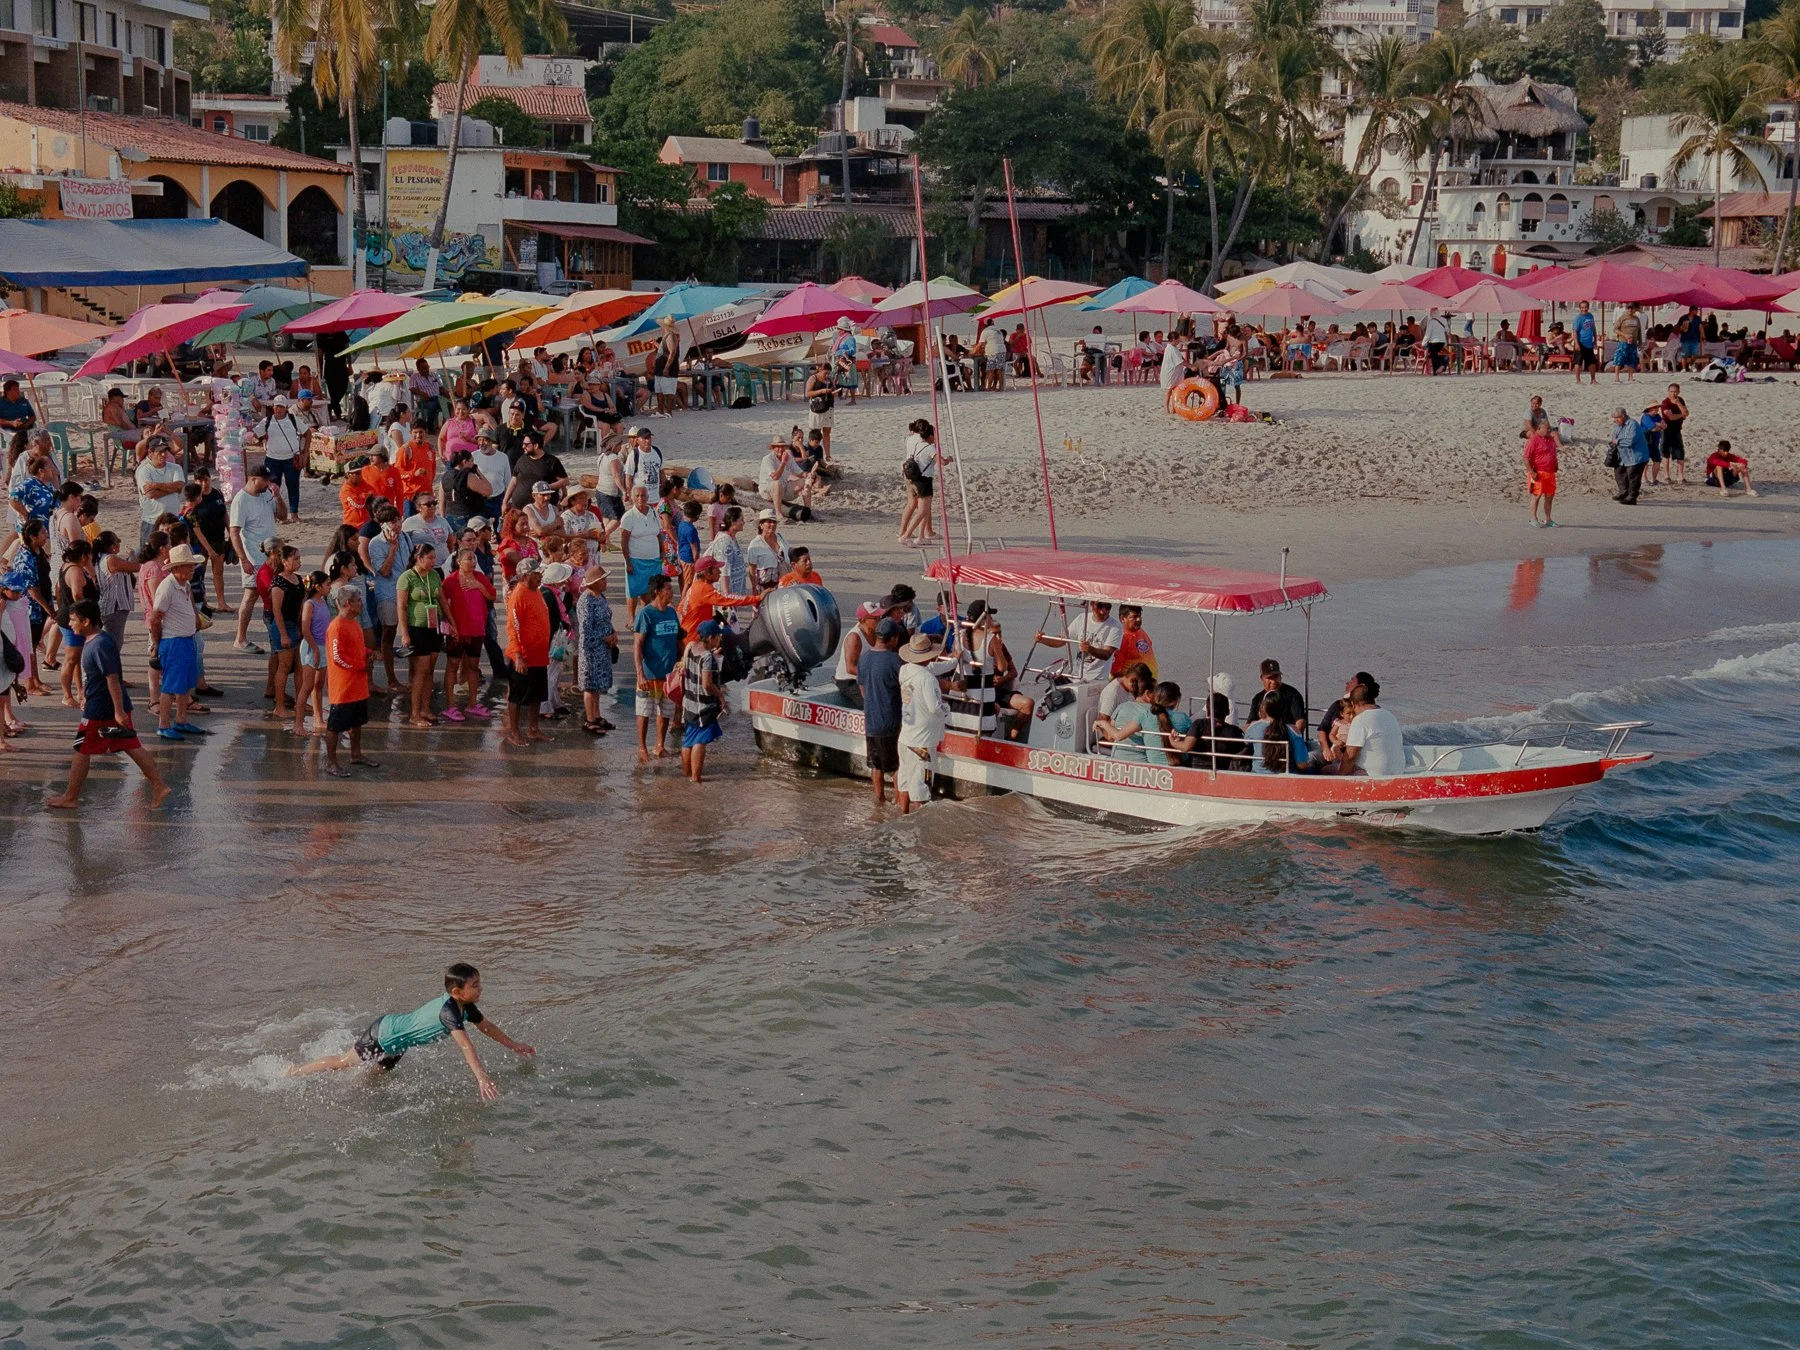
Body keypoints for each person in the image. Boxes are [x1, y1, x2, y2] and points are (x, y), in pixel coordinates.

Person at [283, 962, 533, 1100]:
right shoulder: (450, 1012)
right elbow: (466, 1046)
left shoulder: (466, 1007)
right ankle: (294, 1072)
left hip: (398, 1043)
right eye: (475, 985)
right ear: (457, 992)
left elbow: (486, 1027)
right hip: (383, 1034)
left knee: (372, 1082)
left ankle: (346, 1097)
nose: (481, 989)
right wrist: (481, 1078)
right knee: (343, 1062)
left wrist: (514, 1045)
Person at [44, 600, 170, 810]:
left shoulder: (99, 644)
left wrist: (119, 711)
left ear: (86, 621)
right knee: (132, 746)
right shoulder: (98, 640)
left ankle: (70, 797)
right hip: (107, 704)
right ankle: (159, 786)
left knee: (82, 749)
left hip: (102, 709)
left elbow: (112, 678)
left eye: (74, 620)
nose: (70, 623)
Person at [149, 544, 209, 743]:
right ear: (176, 568)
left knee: (184, 685)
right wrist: (157, 643)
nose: (192, 569)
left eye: (192, 566)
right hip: (173, 641)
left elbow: (190, 604)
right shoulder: (167, 587)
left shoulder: (185, 584)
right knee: (170, 687)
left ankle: (181, 720)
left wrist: (196, 621)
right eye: (188, 566)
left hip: (187, 638)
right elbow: (155, 618)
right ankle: (163, 725)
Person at [228, 465, 284, 652]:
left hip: (272, 555)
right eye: (265, 480)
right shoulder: (241, 500)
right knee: (251, 594)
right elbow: (234, 531)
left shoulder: (266, 494)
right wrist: (243, 559)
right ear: (253, 479)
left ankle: (277, 633)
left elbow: (282, 516)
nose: (268, 483)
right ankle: (240, 638)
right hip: (253, 554)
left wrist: (277, 496)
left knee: (276, 592)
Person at [501, 555, 552, 748]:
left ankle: (533, 728)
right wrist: (518, 655)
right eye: (537, 574)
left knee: (537, 695)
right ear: (525, 575)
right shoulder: (519, 594)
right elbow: (513, 627)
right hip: (523, 655)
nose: (540, 577)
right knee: (517, 695)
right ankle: (514, 732)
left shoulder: (536, 591)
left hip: (539, 654)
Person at [633, 573, 684, 761]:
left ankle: (659, 746)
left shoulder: (671, 613)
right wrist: (639, 674)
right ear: (657, 592)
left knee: (665, 711)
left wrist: (682, 662)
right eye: (668, 589)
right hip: (649, 673)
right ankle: (642, 748)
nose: (672, 592)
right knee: (644, 711)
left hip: (668, 674)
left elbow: (679, 640)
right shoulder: (646, 614)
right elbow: (637, 645)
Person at [896, 631, 948, 813]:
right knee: (922, 789)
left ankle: (903, 815)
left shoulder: (905, 671)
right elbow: (935, 707)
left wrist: (953, 662)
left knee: (905, 780)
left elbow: (930, 667)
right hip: (922, 743)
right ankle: (919, 826)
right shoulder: (928, 679)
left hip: (905, 737)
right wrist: (947, 710)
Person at [396, 543, 444, 729]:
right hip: (417, 628)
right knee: (421, 671)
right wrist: (404, 633)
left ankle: (425, 708)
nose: (434, 561)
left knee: (430, 670)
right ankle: (414, 713)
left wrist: (451, 622)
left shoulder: (434, 575)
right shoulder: (406, 577)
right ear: (419, 557)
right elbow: (401, 606)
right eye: (430, 558)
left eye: (434, 558)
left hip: (434, 627)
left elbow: (441, 599)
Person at [858, 617, 904, 805]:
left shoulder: (864, 659)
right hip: (892, 721)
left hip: (871, 721)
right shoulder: (896, 661)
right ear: (892, 639)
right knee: (897, 767)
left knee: (876, 765)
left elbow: (862, 689)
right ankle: (899, 802)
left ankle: (879, 801)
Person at [679, 619, 727, 782]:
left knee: (689, 739)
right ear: (712, 638)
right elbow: (707, 684)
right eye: (719, 636)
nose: (720, 639)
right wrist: (720, 695)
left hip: (689, 703)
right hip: (702, 706)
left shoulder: (691, 647)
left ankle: (687, 773)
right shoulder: (707, 657)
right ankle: (695, 777)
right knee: (700, 740)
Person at [1035, 600, 1121, 683]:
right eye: (1099, 606)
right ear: (1091, 604)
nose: (1103, 611)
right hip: (1075, 676)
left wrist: (1089, 649)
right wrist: (1044, 639)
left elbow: (1106, 654)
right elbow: (1062, 640)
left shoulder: (1115, 627)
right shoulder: (1082, 618)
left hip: (1096, 679)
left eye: (1108, 607)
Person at [576, 563, 617, 736]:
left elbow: (607, 618)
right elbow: (586, 628)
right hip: (591, 650)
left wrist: (613, 633)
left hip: (604, 648)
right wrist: (603, 638)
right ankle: (590, 719)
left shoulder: (601, 597)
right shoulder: (586, 600)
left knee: (598, 685)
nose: (605, 582)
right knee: (590, 685)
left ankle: (597, 715)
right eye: (602, 580)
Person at [1333, 676, 1404, 776]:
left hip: (1372, 774)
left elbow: (1350, 756)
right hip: (1397, 771)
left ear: (1353, 704)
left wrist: (1340, 779)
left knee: (1327, 770)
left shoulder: (1360, 719)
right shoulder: (1389, 714)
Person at [618, 484, 664, 620]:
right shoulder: (628, 517)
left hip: (654, 559)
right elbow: (624, 541)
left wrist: (663, 551)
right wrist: (628, 562)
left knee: (650, 591)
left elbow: (659, 534)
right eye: (637, 495)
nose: (640, 498)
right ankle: (631, 619)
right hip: (636, 560)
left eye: (643, 495)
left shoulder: (654, 513)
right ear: (632, 498)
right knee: (633, 591)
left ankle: (645, 617)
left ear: (648, 497)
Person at [133, 439, 186, 549]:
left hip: (172, 521)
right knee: (148, 553)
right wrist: (172, 487)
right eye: (159, 452)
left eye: (165, 451)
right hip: (152, 520)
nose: (163, 454)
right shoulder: (144, 470)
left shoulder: (175, 468)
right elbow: (151, 494)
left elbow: (180, 486)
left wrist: (156, 485)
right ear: (150, 453)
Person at [259, 396, 305, 520]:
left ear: (286, 408)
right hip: (272, 459)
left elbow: (307, 432)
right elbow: (256, 433)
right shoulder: (267, 420)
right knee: (272, 487)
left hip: (291, 459)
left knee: (293, 485)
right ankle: (273, 513)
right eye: (276, 406)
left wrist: (305, 452)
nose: (278, 409)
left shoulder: (292, 419)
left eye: (281, 406)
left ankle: (294, 512)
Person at [834, 599, 884, 708]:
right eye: (875, 618)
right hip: (848, 681)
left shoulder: (876, 632)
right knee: (872, 705)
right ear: (863, 619)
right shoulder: (855, 637)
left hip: (865, 677)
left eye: (880, 617)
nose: (879, 621)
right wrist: (874, 675)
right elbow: (851, 668)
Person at [1248, 657, 1307, 733]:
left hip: (1287, 739)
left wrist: (1293, 739)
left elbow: (1300, 722)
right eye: (1269, 678)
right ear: (1262, 679)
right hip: (1263, 740)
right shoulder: (1257, 699)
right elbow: (1249, 724)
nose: (1273, 681)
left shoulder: (1293, 695)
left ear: (1280, 676)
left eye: (1276, 676)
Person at [1193, 690, 1248, 771]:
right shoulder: (1234, 731)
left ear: (1207, 711)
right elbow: (1242, 750)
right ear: (1228, 712)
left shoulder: (1198, 725)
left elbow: (1187, 745)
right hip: (1223, 770)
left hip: (1197, 768)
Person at [1523, 410, 1559, 528]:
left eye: (1549, 429)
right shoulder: (1533, 440)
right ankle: (1533, 518)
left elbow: (1553, 454)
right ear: (1539, 429)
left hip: (1550, 473)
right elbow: (1526, 457)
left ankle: (1548, 519)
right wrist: (1531, 472)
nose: (1549, 431)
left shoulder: (1551, 440)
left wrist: (1556, 464)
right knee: (1536, 495)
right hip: (1537, 473)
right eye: (1547, 429)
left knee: (1549, 496)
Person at [1606, 406, 1649, 506]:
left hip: (1636, 456)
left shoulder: (1632, 424)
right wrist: (1614, 442)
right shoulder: (1617, 426)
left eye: (1618, 418)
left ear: (1624, 416)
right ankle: (1623, 492)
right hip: (1623, 456)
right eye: (1615, 418)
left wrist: (1617, 441)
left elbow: (1630, 441)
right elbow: (1613, 438)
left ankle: (1632, 497)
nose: (1616, 420)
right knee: (1619, 473)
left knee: (1633, 476)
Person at [1111, 605, 1157, 678]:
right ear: (1122, 618)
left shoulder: (1141, 632)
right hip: (1135, 686)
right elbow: (1116, 671)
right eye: (1134, 617)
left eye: (1140, 616)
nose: (1139, 619)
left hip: (1149, 685)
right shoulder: (1121, 638)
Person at [1659, 382, 1690, 485]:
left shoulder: (1680, 400)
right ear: (1668, 392)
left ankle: (1681, 476)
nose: (1673, 394)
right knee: (1666, 453)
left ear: (1679, 392)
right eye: (1671, 392)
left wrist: (1679, 404)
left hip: (1677, 429)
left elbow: (1687, 412)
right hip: (1667, 429)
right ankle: (1666, 476)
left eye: (1675, 392)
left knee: (1680, 453)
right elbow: (1670, 417)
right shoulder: (1665, 402)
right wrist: (1681, 415)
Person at [804, 363, 835, 459]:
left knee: (827, 432)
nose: (826, 375)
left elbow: (832, 389)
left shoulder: (829, 379)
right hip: (817, 406)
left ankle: (827, 455)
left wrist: (832, 392)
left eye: (828, 373)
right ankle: (813, 453)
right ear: (821, 370)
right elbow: (808, 393)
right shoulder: (813, 378)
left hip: (828, 406)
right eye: (825, 373)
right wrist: (821, 391)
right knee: (815, 432)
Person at [1611, 303, 1643, 382]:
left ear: (1635, 309)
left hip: (1633, 342)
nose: (1630, 310)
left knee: (1632, 360)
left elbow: (1639, 331)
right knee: (1619, 359)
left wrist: (1640, 342)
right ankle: (1617, 377)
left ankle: (1631, 377)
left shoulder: (1636, 319)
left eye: (1632, 308)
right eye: (1628, 308)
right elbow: (1615, 329)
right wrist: (1624, 335)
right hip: (1623, 342)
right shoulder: (1622, 318)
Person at [1573, 301, 1599, 384]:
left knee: (1592, 362)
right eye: (1582, 307)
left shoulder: (1590, 316)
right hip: (1580, 342)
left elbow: (1593, 329)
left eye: (1586, 307)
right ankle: (1578, 380)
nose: (1584, 309)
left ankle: (1593, 380)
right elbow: (1574, 332)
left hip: (1589, 343)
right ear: (1580, 308)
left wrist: (1595, 341)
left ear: (1588, 307)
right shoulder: (1578, 318)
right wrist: (1576, 343)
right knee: (1578, 362)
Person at [1423, 308, 1449, 375]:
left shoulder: (1431, 322)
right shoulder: (1444, 320)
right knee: (1443, 355)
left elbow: (1428, 334)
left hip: (1433, 342)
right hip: (1442, 341)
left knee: (1434, 357)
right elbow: (1447, 331)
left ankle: (1436, 371)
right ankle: (1442, 366)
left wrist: (1424, 343)